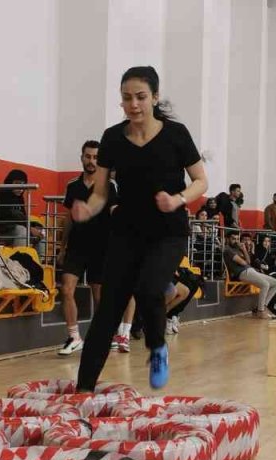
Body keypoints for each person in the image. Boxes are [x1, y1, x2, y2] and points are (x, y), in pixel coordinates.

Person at [69, 66, 208, 390]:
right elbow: (101, 192)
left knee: (148, 287)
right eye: (126, 98)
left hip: (168, 232)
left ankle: (157, 348)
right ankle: (83, 390)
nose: (133, 104)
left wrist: (178, 199)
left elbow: (201, 181)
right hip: (126, 233)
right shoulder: (113, 138)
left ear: (155, 97)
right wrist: (87, 208)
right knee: (106, 314)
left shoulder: (176, 134)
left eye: (141, 97)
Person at [57, 140, 117, 356]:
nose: (92, 161)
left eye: (96, 158)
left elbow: (115, 213)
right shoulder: (72, 186)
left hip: (102, 248)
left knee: (99, 297)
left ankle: (102, 336)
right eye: (88, 156)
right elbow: (69, 218)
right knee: (66, 289)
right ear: (82, 157)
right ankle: (74, 337)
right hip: (76, 247)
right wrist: (62, 247)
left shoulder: (109, 186)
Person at [0, 169, 42, 249]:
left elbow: (22, 217)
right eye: (17, 184)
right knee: (21, 231)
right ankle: (18, 259)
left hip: (8, 230)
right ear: (9, 182)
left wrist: (34, 227)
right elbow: (7, 216)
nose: (20, 188)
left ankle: (39, 260)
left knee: (40, 233)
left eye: (23, 185)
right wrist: (29, 227)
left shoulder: (19, 198)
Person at [224, 233, 276, 319]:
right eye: (233, 239)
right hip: (242, 272)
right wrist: (244, 258)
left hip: (250, 270)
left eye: (237, 239)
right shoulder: (228, 250)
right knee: (265, 284)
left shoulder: (238, 249)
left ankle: (263, 306)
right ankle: (260, 311)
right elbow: (243, 263)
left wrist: (244, 249)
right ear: (227, 239)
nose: (235, 241)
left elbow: (249, 261)